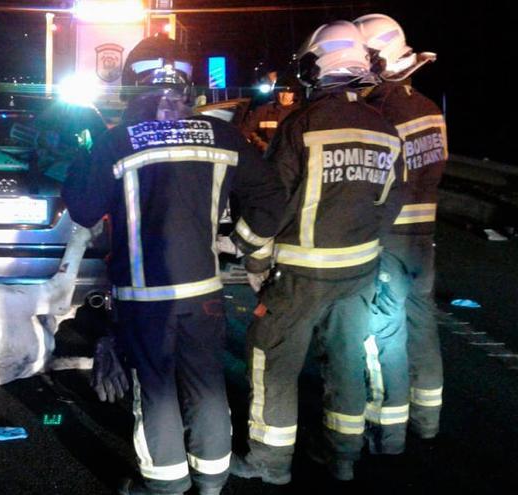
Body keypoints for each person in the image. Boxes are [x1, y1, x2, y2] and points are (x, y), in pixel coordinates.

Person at [63, 34, 285, 495]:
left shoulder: (116, 141)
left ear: (133, 83)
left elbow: (83, 210)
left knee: (156, 388)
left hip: (144, 297)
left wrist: (78, 161)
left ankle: (166, 486)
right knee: (207, 384)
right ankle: (212, 480)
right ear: (188, 85)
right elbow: (270, 197)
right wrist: (240, 244)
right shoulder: (222, 136)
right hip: (204, 291)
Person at [228, 21, 405, 484]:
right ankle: (343, 455)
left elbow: (270, 202)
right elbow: (392, 202)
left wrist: (252, 256)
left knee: (272, 360)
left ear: (316, 67)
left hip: (299, 277)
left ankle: (270, 462)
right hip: (359, 273)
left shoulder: (303, 125)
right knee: (346, 363)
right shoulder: (386, 129)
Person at [354, 13, 447, 453]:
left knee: (381, 336)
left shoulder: (380, 112)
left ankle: (386, 431)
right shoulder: (430, 109)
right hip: (422, 238)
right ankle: (427, 421)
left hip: (388, 237)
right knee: (423, 327)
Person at [241, 76, 300, 153]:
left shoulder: (300, 112)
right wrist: (259, 143)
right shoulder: (263, 110)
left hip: (290, 155)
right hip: (263, 154)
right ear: (276, 93)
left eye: (289, 93)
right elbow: (245, 132)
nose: (285, 96)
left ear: (295, 94)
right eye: (282, 92)